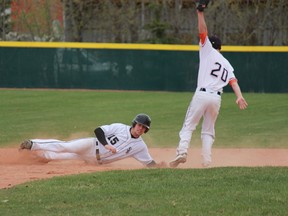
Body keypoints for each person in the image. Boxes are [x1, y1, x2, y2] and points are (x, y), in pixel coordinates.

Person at [169, 1, 248, 168]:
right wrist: (239, 97)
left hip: (202, 94)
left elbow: (203, 31)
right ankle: (206, 161)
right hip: (216, 99)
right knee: (208, 131)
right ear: (221, 47)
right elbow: (233, 83)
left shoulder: (207, 50)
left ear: (211, 45)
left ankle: (182, 152)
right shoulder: (227, 63)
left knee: (189, 126)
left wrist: (200, 13)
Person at [19, 113, 165, 168]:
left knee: (56, 157)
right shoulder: (120, 127)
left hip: (92, 161)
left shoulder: (140, 146)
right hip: (89, 145)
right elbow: (98, 130)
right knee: (65, 147)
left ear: (146, 130)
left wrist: (162, 168)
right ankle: (32, 144)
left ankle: (38, 157)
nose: (140, 128)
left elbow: (149, 163)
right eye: (139, 125)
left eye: (143, 127)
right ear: (134, 124)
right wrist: (107, 145)